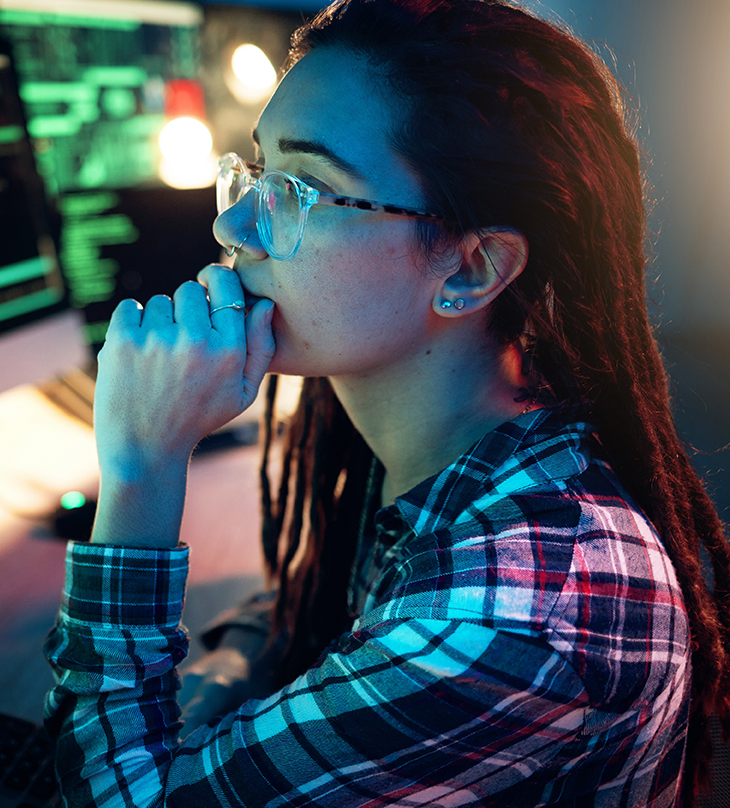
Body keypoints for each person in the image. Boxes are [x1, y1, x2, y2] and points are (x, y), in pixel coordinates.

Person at [42, 0, 730, 805]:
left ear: (470, 271)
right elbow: (320, 608)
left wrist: (139, 466)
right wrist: (227, 671)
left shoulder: (506, 619)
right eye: (257, 170)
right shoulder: (454, 428)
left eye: (302, 187)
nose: (234, 222)